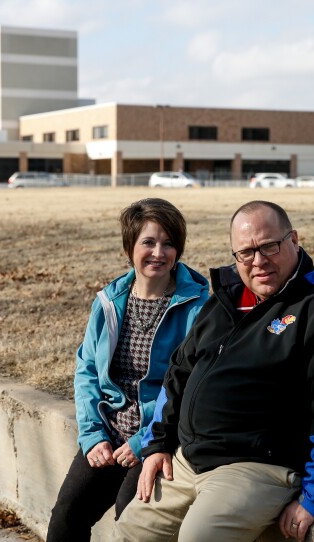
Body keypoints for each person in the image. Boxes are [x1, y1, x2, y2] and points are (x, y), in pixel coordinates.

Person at [117, 200, 314, 542]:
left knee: (199, 538)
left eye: (269, 246)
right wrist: (158, 443)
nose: (259, 261)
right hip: (188, 459)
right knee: (129, 531)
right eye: (246, 253)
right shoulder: (226, 298)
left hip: (257, 466)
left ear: (294, 240)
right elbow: (179, 372)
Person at [46, 198, 210, 541]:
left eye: (168, 243)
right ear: (130, 247)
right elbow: (87, 370)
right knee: (67, 515)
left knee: (129, 517)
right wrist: (92, 436)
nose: (159, 252)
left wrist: (143, 441)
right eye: (148, 242)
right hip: (110, 431)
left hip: (161, 437)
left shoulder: (197, 307)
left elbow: (192, 386)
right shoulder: (109, 301)